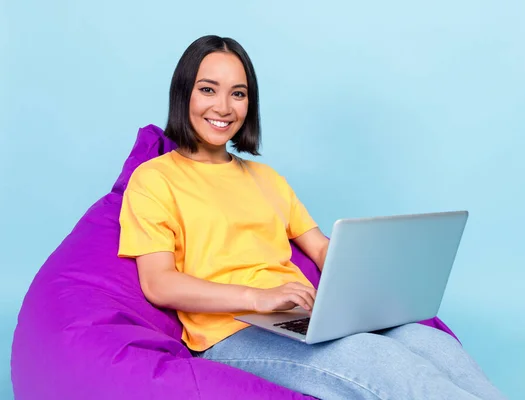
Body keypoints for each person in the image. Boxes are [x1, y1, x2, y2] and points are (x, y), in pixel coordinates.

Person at [118, 35, 505, 400]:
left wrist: (376, 274)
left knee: (429, 342)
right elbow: (159, 283)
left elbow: (319, 247)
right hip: (231, 332)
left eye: (238, 94)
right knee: (382, 362)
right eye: (208, 89)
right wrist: (260, 297)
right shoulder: (155, 179)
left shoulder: (265, 178)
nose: (223, 107)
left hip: (302, 318)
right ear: (182, 92)